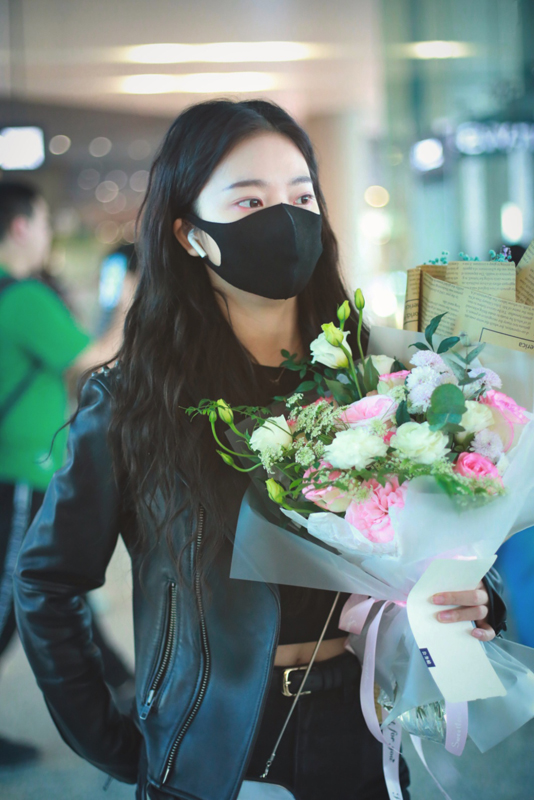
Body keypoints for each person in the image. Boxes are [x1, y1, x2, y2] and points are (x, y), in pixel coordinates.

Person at [12, 101, 506, 800]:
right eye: (249, 200)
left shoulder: (381, 377)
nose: (285, 218)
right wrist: (117, 744)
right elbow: (46, 582)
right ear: (190, 234)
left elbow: (452, 536)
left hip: (362, 727)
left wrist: (475, 598)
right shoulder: (134, 398)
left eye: (302, 197)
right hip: (213, 737)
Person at [0, 181, 134, 765]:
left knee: (49, 583)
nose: (47, 234)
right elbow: (96, 357)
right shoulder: (23, 296)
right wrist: (125, 305)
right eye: (44, 222)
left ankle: (121, 680)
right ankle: (121, 683)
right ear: (21, 226)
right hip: (18, 471)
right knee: (15, 594)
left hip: (17, 468)